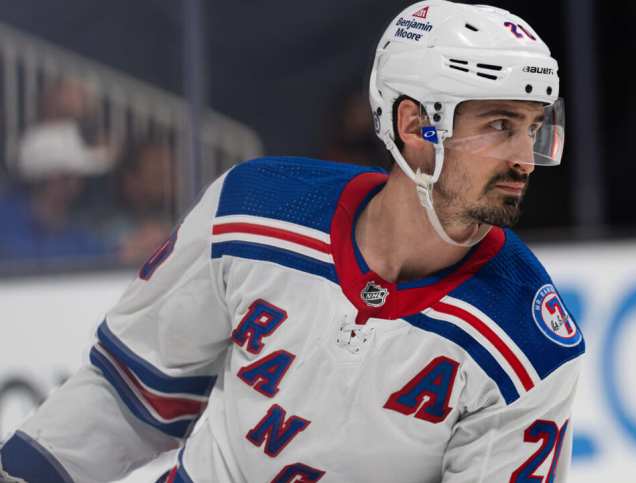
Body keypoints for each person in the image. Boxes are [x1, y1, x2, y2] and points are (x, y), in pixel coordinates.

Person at [0, 1, 584, 481]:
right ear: (413, 125)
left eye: (533, 128)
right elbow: (131, 396)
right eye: (500, 125)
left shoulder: (528, 346)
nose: (523, 159)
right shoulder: (252, 211)